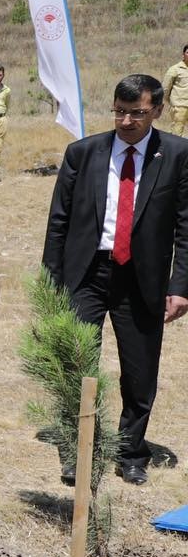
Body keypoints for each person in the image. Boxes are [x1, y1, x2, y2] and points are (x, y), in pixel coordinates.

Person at [42, 73, 188, 486]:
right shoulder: (83, 153)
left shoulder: (177, 155)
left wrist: (179, 287)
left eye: (137, 114)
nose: (127, 122)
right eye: (120, 112)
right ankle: (77, 451)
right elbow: (59, 222)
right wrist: (50, 284)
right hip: (86, 272)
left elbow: (185, 226)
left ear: (157, 110)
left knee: (140, 372)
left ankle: (130, 452)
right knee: (76, 364)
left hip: (141, 278)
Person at [165, 45, 188, 137]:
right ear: (183, 54)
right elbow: (166, 88)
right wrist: (172, 101)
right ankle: (174, 151)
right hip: (179, 106)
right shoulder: (175, 69)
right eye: (187, 53)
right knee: (177, 133)